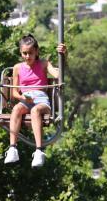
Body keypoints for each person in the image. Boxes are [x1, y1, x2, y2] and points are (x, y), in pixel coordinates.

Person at [5, 34, 67, 167]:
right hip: (26, 99)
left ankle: (39, 151)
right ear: (20, 52)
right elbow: (15, 92)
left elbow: (58, 75)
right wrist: (23, 97)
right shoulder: (17, 68)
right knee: (16, 109)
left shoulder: (44, 63)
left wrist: (63, 57)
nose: (27, 57)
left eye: (30, 53)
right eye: (24, 53)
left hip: (41, 100)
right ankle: (12, 148)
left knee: (35, 110)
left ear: (36, 52)